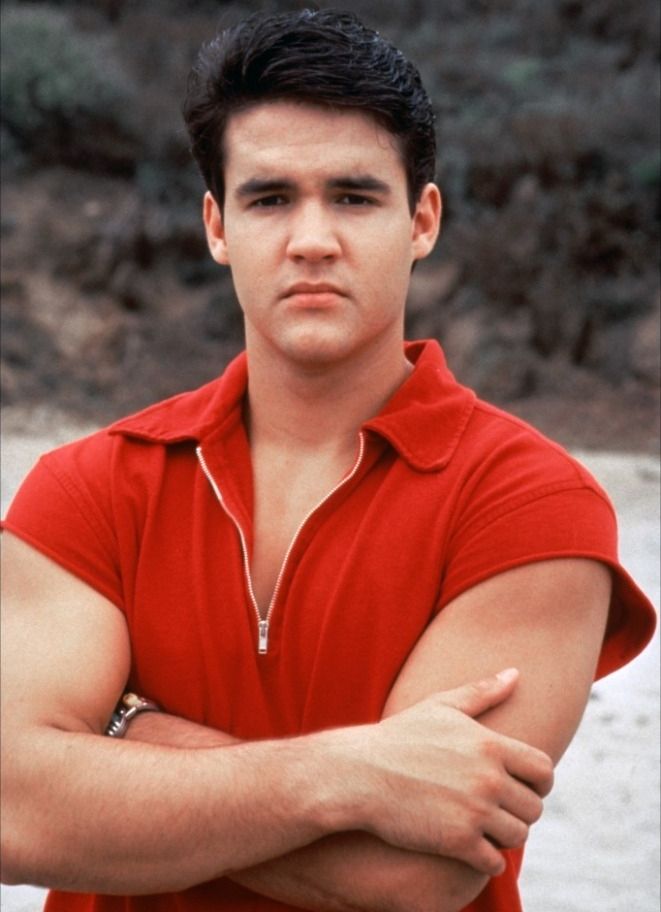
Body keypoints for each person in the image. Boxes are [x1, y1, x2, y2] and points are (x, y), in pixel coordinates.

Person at [0, 9, 655, 912]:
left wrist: (126, 732)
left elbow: (410, 876)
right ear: (217, 226)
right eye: (269, 198)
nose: (311, 239)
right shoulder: (90, 488)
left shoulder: (530, 503)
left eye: (353, 197)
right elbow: (15, 814)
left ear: (421, 220)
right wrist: (350, 776)